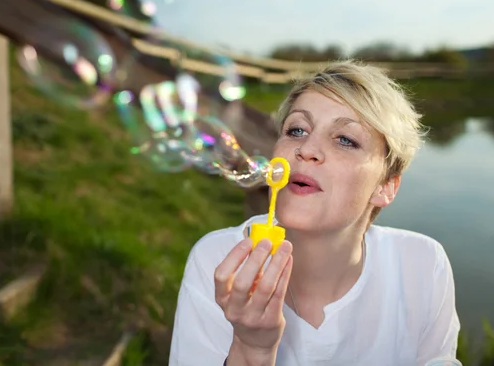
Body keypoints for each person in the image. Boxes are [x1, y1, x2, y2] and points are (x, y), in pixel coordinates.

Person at [168, 60, 461, 365]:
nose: (306, 149)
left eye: (345, 140)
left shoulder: (422, 265)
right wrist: (250, 347)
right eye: (296, 130)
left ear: (385, 186)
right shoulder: (217, 261)